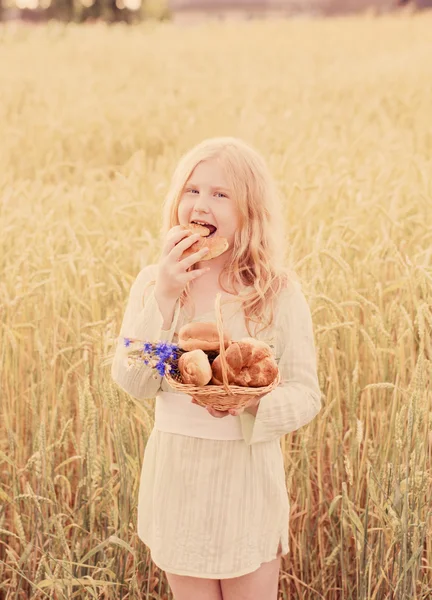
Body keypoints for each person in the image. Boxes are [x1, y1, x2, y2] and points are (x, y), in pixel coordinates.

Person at [111, 136, 322, 600]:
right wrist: (165, 295)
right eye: (192, 190)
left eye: (220, 194)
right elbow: (133, 379)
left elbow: (307, 393)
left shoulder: (275, 290)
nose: (201, 203)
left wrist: (246, 403)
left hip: (246, 478)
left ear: (250, 209)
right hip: (177, 476)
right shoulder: (155, 282)